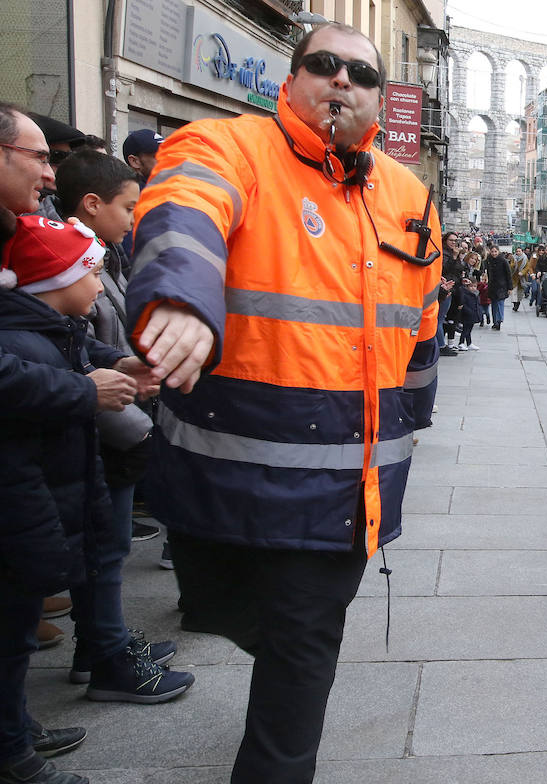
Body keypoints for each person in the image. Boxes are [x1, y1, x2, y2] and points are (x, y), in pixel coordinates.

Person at [123, 23, 441, 782]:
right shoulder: (228, 145)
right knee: (253, 620)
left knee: (301, 655)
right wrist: (180, 299)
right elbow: (186, 209)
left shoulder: (407, 194)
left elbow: (420, 324)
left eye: (360, 74)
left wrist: (415, 417)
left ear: (379, 98)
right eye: (323, 65)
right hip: (229, 480)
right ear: (288, 80)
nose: (342, 81)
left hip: (343, 492)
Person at [2, 214, 179, 784]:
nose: (100, 286)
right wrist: (86, 389)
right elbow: (38, 376)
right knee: (10, 632)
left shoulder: (44, 323)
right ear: (55, 279)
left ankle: (15, 727)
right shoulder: (19, 332)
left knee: (18, 627)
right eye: (92, 273)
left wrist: (115, 366)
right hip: (26, 501)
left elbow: (74, 354)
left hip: (51, 493)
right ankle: (13, 755)